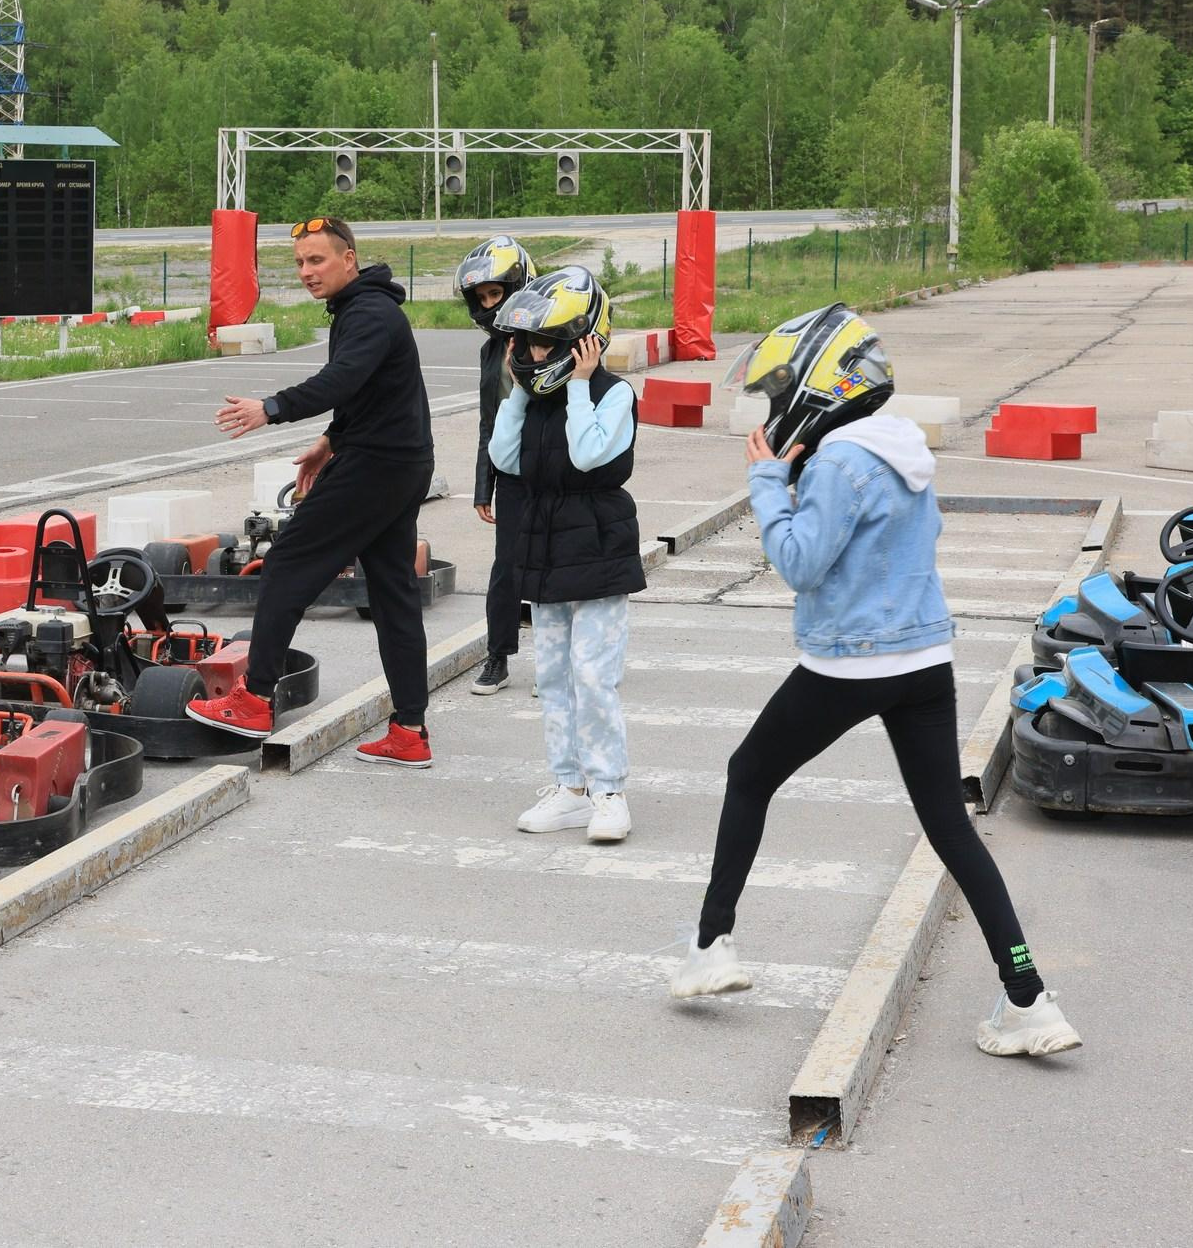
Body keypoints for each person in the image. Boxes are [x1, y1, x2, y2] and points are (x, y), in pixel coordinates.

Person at [670, 305, 1080, 1057]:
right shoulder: (901, 447)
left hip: (850, 662)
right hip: (924, 661)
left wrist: (767, 482)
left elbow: (801, 563)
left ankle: (710, 944)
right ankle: (1029, 999)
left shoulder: (836, 463)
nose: (772, 408)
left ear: (819, 388)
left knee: (748, 775)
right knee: (949, 826)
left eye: (778, 392)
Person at [203, 215, 436, 764]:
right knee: (393, 597)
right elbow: (370, 394)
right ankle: (410, 731)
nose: (307, 272)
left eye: (317, 260)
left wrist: (272, 408)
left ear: (348, 259)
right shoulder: (364, 308)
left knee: (286, 563)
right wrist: (329, 442)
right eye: (300, 263)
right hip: (399, 463)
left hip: (376, 467)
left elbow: (341, 380)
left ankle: (256, 698)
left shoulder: (369, 313)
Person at [484, 267, 644, 843]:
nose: (533, 353)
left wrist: (578, 384)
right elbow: (505, 458)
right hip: (545, 545)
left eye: (545, 343)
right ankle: (569, 787)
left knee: (593, 676)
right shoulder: (534, 397)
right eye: (528, 343)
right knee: (553, 677)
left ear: (583, 341)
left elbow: (587, 455)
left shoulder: (613, 393)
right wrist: (516, 392)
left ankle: (609, 792)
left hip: (598, 546)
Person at [457, 235, 537, 697]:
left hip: (555, 467)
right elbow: (488, 420)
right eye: (482, 297)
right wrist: (482, 485)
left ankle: (556, 660)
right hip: (510, 472)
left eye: (496, 293)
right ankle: (498, 657)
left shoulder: (550, 338)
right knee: (506, 567)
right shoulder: (490, 352)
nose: (489, 304)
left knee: (555, 563)